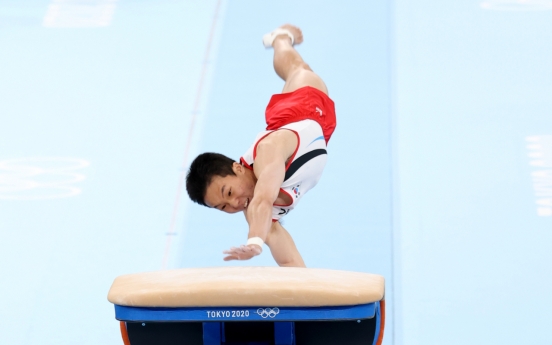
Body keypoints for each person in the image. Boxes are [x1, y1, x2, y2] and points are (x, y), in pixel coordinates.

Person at [186, 24, 336, 267]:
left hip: (304, 108)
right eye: (223, 207)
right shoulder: (253, 214)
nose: (234, 204)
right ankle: (281, 40)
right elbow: (288, 261)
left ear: (237, 168)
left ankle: (281, 39)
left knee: (299, 70)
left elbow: (264, 198)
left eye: (229, 193)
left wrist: (255, 241)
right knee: (293, 74)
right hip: (312, 135)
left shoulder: (268, 153)